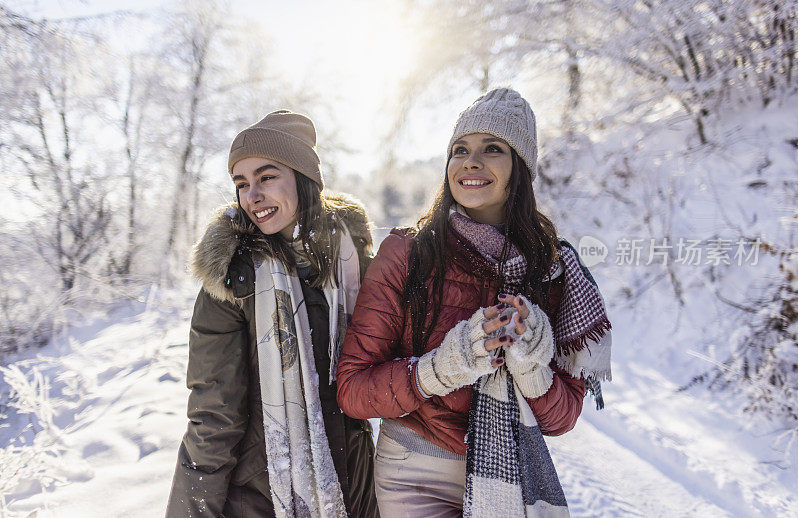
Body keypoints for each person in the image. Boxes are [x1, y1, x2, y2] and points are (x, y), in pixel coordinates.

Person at [336, 88, 613, 517]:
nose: (471, 161)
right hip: (415, 472)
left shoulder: (552, 270)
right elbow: (353, 390)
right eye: (460, 149)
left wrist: (529, 360)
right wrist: (444, 366)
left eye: (493, 148)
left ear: (519, 168)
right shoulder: (408, 253)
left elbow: (561, 418)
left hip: (512, 473)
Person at [166, 110, 379, 518]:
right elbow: (214, 414)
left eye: (266, 177)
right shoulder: (230, 278)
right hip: (263, 494)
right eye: (241, 183)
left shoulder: (352, 261)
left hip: (356, 484)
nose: (252, 196)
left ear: (304, 178)